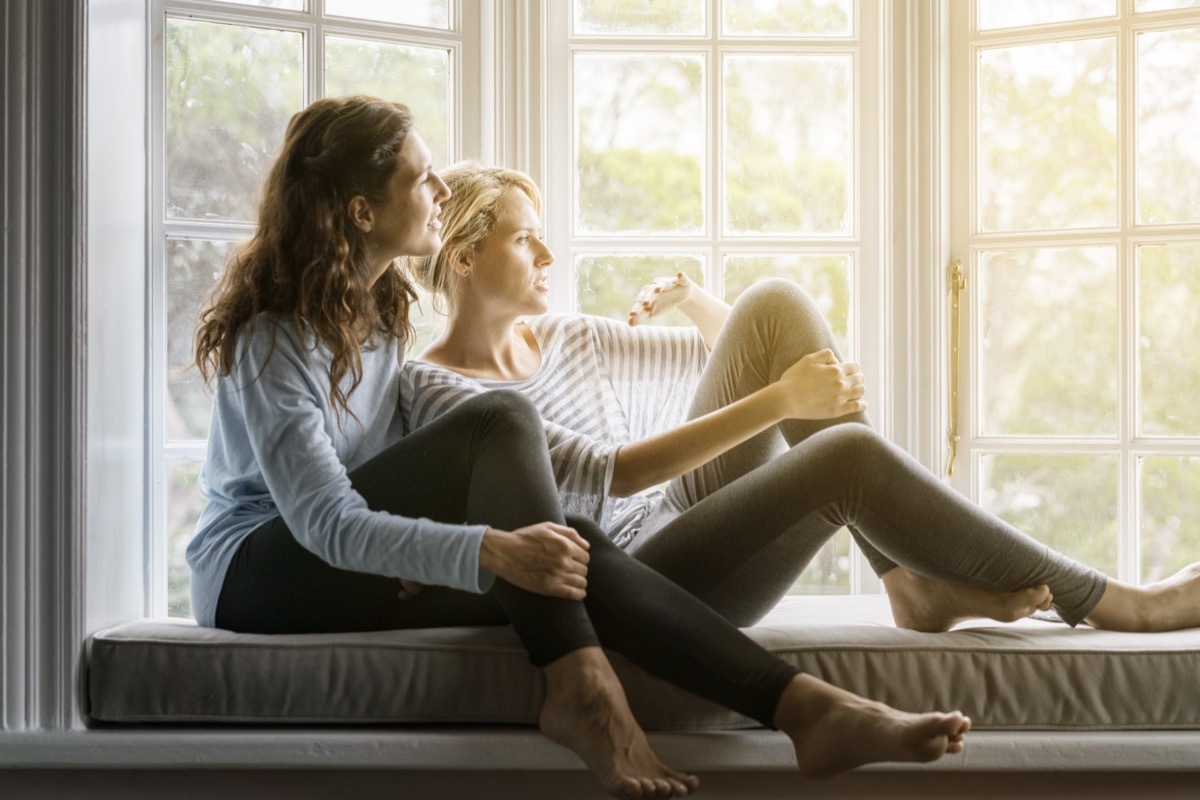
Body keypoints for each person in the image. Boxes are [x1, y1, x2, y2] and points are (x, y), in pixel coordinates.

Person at [185, 96, 973, 800]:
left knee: (570, 545)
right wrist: (489, 549)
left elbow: (441, 467)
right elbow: (326, 524)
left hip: (355, 556)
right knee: (506, 437)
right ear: (361, 212)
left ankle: (804, 708)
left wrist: (508, 539)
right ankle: (584, 691)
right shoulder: (272, 339)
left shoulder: (384, 314)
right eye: (421, 179)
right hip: (262, 570)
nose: (439, 192)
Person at [403, 160, 1200, 636]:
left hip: (671, 520)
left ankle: (906, 584)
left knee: (775, 302)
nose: (547, 251)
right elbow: (616, 474)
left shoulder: (570, 336)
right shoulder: (436, 389)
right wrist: (786, 400)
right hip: (632, 581)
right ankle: (1119, 604)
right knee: (841, 454)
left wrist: (695, 301)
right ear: (465, 258)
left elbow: (735, 356)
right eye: (522, 237)